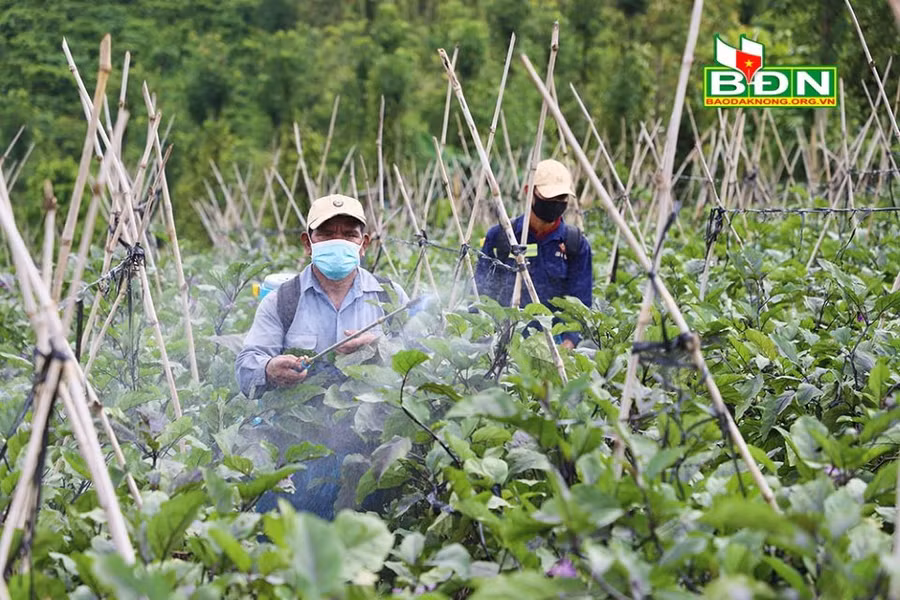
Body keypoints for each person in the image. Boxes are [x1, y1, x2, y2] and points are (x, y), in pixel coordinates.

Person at [235, 193, 408, 518]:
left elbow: (420, 359)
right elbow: (246, 367)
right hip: (298, 445)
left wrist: (380, 350)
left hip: (371, 446)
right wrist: (271, 369)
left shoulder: (389, 297)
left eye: (349, 234)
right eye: (327, 234)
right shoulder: (282, 301)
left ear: (364, 242)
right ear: (307, 242)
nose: (338, 241)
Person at [474, 159, 592, 349]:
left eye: (561, 197)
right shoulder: (502, 237)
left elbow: (581, 304)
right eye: (549, 197)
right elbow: (479, 293)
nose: (555, 203)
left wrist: (568, 344)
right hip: (503, 343)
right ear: (529, 191)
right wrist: (483, 337)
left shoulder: (575, 244)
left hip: (555, 345)